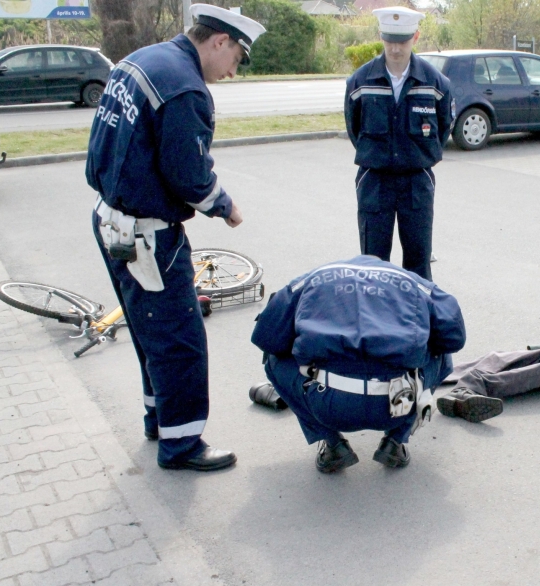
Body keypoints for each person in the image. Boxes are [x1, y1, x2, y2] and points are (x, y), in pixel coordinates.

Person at [85, 4, 265, 471]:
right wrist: (225, 206)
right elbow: (187, 174)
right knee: (180, 340)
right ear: (219, 41)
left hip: (110, 217)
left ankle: (158, 420)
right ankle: (181, 444)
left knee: (149, 334)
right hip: (148, 235)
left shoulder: (141, 60)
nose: (232, 72)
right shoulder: (186, 88)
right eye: (236, 59)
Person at [249, 255, 466, 473]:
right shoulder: (415, 283)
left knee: (273, 359)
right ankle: (396, 441)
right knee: (442, 353)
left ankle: (332, 445)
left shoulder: (311, 280)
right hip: (398, 401)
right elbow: (454, 338)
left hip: (327, 403)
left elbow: (266, 337)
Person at [344, 6, 455, 281]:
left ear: (415, 37)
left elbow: (442, 129)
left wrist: (414, 156)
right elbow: (354, 129)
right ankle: (375, 321)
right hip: (375, 180)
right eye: (390, 40)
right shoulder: (360, 81)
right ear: (381, 36)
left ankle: (416, 321)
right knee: (373, 263)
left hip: (416, 181)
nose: (395, 48)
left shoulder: (435, 82)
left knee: (418, 263)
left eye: (402, 40)